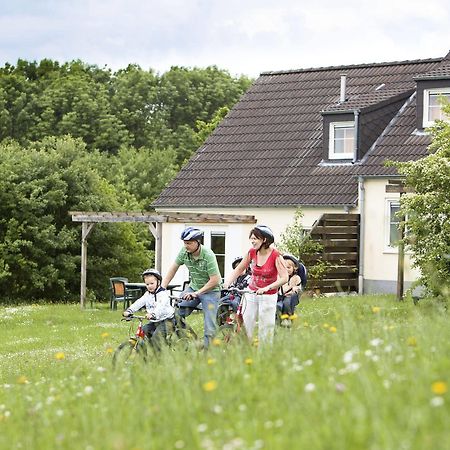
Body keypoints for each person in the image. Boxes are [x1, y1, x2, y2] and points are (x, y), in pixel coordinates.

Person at [223, 225, 288, 344]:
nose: (252, 241)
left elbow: (284, 278)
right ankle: (246, 351)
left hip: (268, 295)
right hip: (251, 293)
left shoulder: (275, 255)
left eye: (255, 238)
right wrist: (227, 282)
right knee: (246, 325)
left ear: (265, 240)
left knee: (266, 327)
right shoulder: (252, 252)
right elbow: (238, 269)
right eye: (251, 238)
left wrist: (267, 288)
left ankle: (265, 354)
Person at [161, 227, 222, 348]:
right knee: (176, 313)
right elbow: (173, 269)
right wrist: (162, 287)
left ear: (197, 242)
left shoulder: (208, 255)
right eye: (184, 243)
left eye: (188, 243)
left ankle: (208, 352)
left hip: (211, 291)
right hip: (194, 287)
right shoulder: (184, 252)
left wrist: (197, 293)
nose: (186, 246)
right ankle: (191, 340)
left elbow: (215, 280)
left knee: (209, 325)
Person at [123, 268, 175, 350]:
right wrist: (130, 310)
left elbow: (160, 306)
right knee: (144, 331)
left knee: (156, 338)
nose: (149, 286)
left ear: (158, 282)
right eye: (147, 284)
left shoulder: (163, 294)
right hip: (155, 321)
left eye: (152, 283)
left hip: (167, 320)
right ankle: (147, 353)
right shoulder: (147, 294)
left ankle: (158, 357)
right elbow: (139, 302)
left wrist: (153, 314)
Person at [217, 256, 251, 326]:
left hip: (242, 296)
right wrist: (229, 287)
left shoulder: (249, 277)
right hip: (233, 295)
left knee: (235, 303)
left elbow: (249, 286)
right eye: (237, 268)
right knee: (220, 301)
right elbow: (232, 285)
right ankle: (223, 318)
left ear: (246, 267)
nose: (239, 270)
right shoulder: (236, 278)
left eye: (241, 268)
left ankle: (239, 317)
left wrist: (245, 289)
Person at [277, 254, 303, 327]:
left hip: (290, 296)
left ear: (294, 268)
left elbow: (299, 288)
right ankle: (277, 320)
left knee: (286, 303)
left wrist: (295, 289)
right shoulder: (280, 278)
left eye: (288, 267)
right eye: (284, 268)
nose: (286, 270)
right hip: (280, 295)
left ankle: (288, 318)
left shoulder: (296, 278)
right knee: (277, 305)